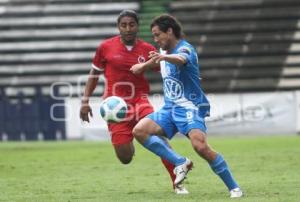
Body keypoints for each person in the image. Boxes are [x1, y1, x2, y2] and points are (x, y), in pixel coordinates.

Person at [130, 14, 243, 198]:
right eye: (154, 36)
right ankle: (181, 162)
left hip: (190, 107)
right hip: (169, 109)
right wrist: (143, 67)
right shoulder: (163, 51)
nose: (156, 39)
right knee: (139, 131)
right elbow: (160, 58)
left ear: (170, 31)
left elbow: (181, 59)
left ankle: (234, 187)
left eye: (158, 35)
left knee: (200, 147)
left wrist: (163, 58)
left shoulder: (186, 49)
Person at [79, 10, 188, 194]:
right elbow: (94, 75)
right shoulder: (105, 47)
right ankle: (133, 137)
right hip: (115, 107)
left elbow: (166, 70)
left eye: (132, 24)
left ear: (137, 26)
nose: (128, 29)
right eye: (124, 25)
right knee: (125, 158)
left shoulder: (147, 49)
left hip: (140, 100)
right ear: (118, 27)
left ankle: (177, 182)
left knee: (159, 136)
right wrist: (85, 101)